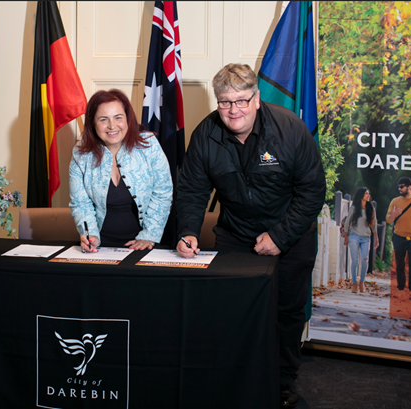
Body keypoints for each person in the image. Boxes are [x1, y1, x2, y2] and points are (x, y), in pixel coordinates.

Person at [175, 63, 325, 408]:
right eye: (226, 102)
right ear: (218, 102)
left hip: (291, 234)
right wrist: (187, 231)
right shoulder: (205, 135)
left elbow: (313, 191)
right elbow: (192, 191)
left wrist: (280, 236)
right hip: (236, 234)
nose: (234, 110)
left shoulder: (289, 129)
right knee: (232, 310)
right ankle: (235, 377)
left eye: (242, 101)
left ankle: (283, 382)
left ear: (257, 99)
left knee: (286, 313)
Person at [69, 89, 173, 252]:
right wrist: (90, 236)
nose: (112, 126)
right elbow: (81, 203)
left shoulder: (149, 145)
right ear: (92, 123)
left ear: (128, 119)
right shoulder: (80, 153)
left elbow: (163, 193)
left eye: (118, 117)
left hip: (148, 243)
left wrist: (149, 235)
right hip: (101, 246)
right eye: (103, 119)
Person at [343, 187, 379, 293]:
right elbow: (347, 223)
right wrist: (346, 237)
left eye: (369, 193)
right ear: (361, 195)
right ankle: (354, 284)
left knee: (365, 260)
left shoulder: (371, 208)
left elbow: (374, 224)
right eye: (366, 194)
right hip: (354, 236)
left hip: (366, 238)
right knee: (354, 261)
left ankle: (362, 282)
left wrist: (376, 238)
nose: (368, 195)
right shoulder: (354, 208)